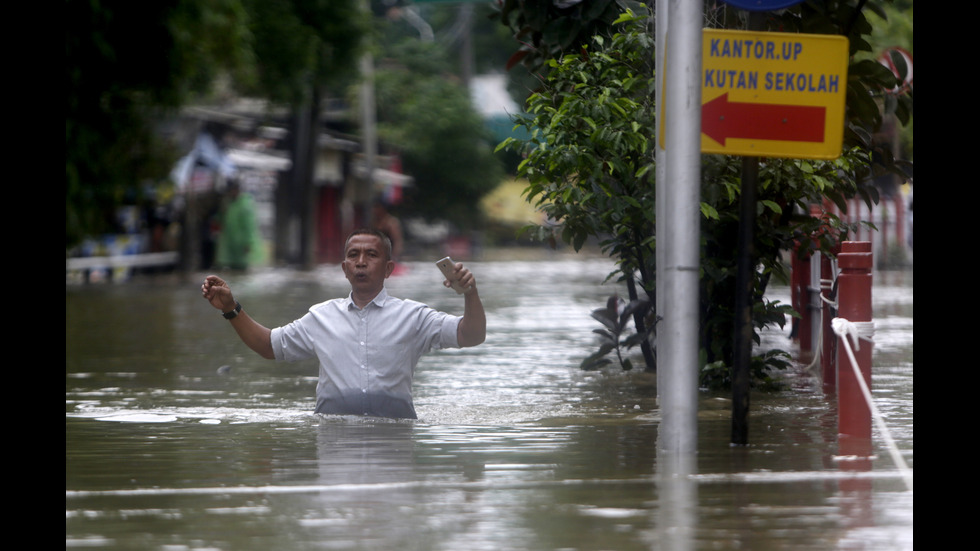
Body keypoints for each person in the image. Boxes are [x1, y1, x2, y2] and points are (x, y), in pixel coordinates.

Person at [201, 228, 486, 419]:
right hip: (332, 436)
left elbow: (471, 335)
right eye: (353, 255)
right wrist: (231, 308)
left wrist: (469, 293)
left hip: (395, 441)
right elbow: (268, 346)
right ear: (344, 268)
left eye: (371, 255)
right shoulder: (321, 317)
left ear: (388, 269)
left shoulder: (414, 317)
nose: (361, 262)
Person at [215, 181, 260, 270]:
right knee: (229, 270)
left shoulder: (245, 204)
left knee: (241, 269)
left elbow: (249, 226)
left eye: (233, 191)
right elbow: (221, 219)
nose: (231, 193)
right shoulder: (228, 203)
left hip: (241, 245)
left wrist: (248, 242)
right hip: (229, 245)